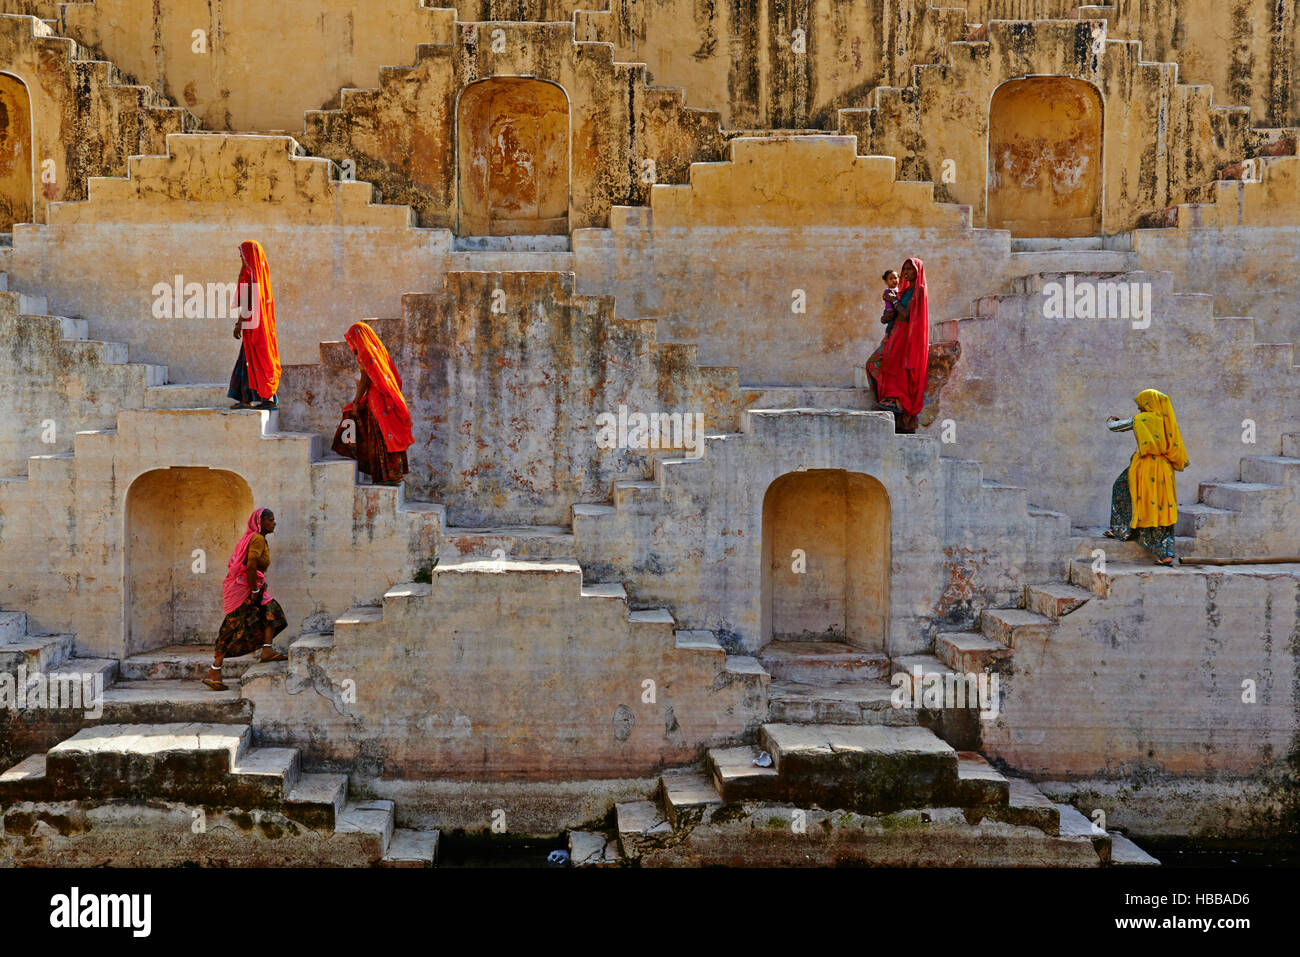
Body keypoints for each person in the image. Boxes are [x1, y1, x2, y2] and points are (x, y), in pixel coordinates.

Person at [204, 508, 288, 691]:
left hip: (248, 585)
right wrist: (255, 589)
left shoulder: (257, 539)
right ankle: (214, 670)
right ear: (261, 522)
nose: (274, 523)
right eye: (271, 520)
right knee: (233, 627)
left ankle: (267, 650)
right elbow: (250, 566)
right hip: (243, 588)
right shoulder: (257, 539)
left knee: (270, 612)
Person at [1104, 389, 1189, 565]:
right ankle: (1161, 550)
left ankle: (1122, 529)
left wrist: (1110, 420)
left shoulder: (1142, 419)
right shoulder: (1166, 420)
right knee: (1160, 507)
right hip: (1164, 469)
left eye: (1140, 405)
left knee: (1123, 490)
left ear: (1147, 404)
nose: (1139, 408)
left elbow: (1115, 427)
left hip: (1145, 468)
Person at [331, 321, 413, 486]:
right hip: (382, 397)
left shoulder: (366, 353)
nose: (353, 344)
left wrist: (355, 402)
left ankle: (386, 475)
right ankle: (390, 473)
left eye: (353, 339)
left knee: (380, 436)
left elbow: (365, 379)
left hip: (377, 400)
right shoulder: (376, 350)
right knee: (384, 435)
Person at [865, 257, 929, 433]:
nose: (906, 272)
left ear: (918, 271)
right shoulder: (905, 290)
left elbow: (908, 314)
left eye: (909, 269)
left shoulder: (919, 290)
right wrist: (886, 316)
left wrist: (893, 300)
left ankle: (896, 403)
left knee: (897, 370)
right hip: (895, 334)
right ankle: (889, 400)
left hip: (907, 335)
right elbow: (893, 314)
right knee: (873, 363)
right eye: (904, 269)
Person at [227, 241, 281, 410]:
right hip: (260, 327)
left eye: (243, 255)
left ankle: (251, 399)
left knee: (252, 360)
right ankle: (260, 398)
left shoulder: (250, 277)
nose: (241, 258)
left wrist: (239, 324)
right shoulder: (259, 275)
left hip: (253, 328)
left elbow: (248, 303)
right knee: (254, 360)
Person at [880, 269, 901, 337]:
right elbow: (889, 302)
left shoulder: (899, 290)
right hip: (889, 310)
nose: (894, 280)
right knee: (891, 323)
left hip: (896, 310)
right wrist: (890, 310)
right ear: (886, 282)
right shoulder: (888, 291)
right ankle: (886, 334)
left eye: (895, 278)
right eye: (891, 279)